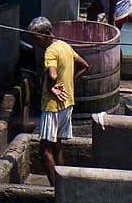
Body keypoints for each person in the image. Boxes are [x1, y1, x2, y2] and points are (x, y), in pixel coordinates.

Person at [29, 15, 88, 187]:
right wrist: (70, 81)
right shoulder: (65, 46)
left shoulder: (50, 51)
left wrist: (51, 87)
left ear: (47, 33)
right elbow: (85, 65)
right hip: (67, 103)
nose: (35, 42)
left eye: (37, 38)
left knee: (45, 150)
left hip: (52, 105)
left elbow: (52, 74)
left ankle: (56, 189)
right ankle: (64, 186)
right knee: (57, 146)